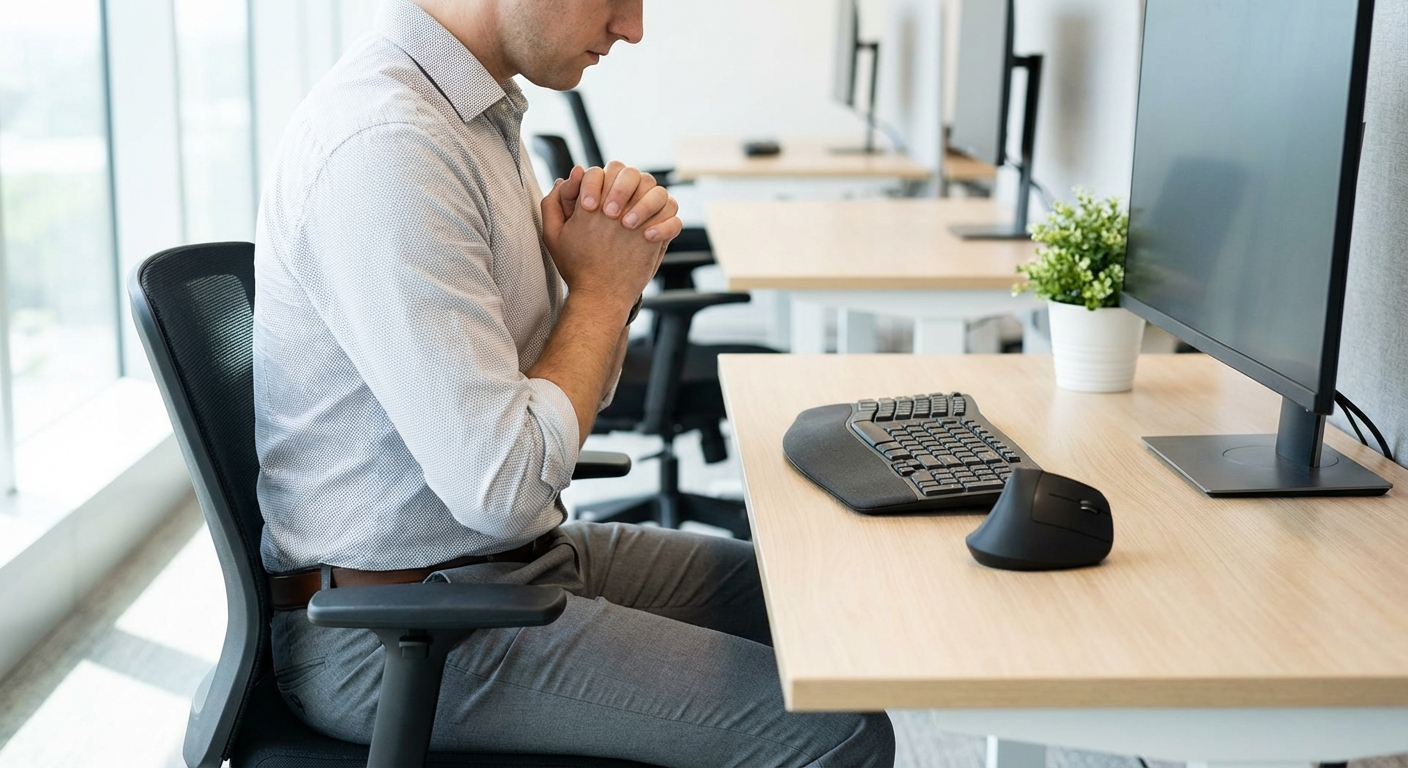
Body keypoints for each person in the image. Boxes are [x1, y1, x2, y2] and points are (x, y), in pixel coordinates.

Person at [252, 0, 896, 765]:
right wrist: (602, 296)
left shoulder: (475, 115)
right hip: (395, 631)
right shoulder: (391, 145)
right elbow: (504, 488)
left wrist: (603, 279)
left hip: (505, 566)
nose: (634, 27)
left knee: (823, 596)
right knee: (841, 731)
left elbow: (566, 399)